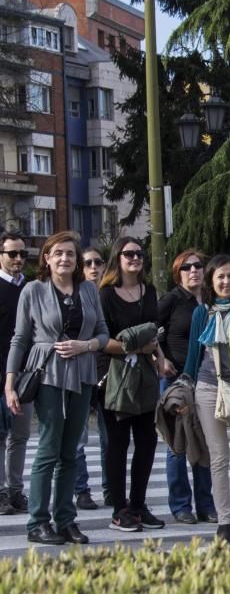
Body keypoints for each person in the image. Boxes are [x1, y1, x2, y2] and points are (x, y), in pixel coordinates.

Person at [5, 231, 109, 544]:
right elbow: (20, 338)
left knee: (71, 453)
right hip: (47, 375)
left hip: (83, 375)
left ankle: (66, 520)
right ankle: (37, 522)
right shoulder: (33, 290)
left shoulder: (89, 290)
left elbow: (104, 334)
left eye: (70, 254)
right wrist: (10, 383)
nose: (65, 258)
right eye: (58, 253)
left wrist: (85, 345)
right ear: (47, 258)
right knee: (49, 449)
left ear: (77, 261)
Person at [99, 236, 167, 532]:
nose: (135, 258)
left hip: (144, 375)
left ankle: (138, 506)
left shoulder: (148, 291)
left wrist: (160, 358)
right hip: (114, 375)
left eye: (139, 254)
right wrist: (135, 349)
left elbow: (153, 333)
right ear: (118, 257)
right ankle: (119, 509)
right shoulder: (105, 294)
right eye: (129, 254)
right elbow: (102, 340)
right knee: (117, 443)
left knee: (147, 441)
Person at [183, 254, 230, 541]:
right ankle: (224, 522)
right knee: (218, 457)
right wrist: (186, 386)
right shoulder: (201, 312)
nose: (226, 281)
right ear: (211, 281)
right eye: (220, 276)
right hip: (207, 389)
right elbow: (194, 356)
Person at [158, 249, 215, 525]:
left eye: (198, 266)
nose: (193, 271)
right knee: (177, 445)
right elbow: (150, 332)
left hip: (205, 381)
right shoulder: (171, 300)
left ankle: (206, 504)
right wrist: (162, 358)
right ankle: (181, 505)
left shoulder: (211, 300)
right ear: (178, 273)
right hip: (176, 382)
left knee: (204, 444)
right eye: (186, 267)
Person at [74, 247, 110, 510]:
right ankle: (81, 489)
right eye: (88, 262)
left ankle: (111, 489)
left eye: (98, 262)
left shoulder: (110, 294)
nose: (94, 267)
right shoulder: (74, 296)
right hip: (80, 373)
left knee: (110, 439)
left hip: (108, 373)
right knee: (79, 436)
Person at [0, 231, 29, 515]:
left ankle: (15, 490)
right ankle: (0, 493)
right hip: (1, 375)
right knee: (0, 435)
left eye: (23, 254)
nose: (19, 259)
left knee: (20, 436)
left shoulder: (31, 288)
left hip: (26, 375)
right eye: (12, 254)